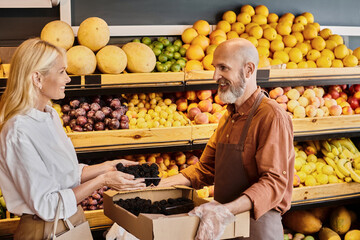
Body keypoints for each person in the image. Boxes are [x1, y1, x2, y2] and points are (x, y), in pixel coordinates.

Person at [0, 38, 146, 240]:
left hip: (72, 220)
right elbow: (47, 205)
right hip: (44, 229)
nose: (68, 79)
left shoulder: (49, 116)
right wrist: (102, 181)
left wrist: (108, 166)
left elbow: (64, 175)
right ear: (37, 78)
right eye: (61, 72)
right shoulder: (18, 131)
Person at [159, 38, 295, 240]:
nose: (215, 76)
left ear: (249, 70)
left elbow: (273, 183)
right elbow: (204, 169)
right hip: (224, 225)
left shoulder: (271, 116)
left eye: (223, 68)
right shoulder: (228, 117)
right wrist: (156, 185)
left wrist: (226, 210)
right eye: (215, 68)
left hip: (257, 229)